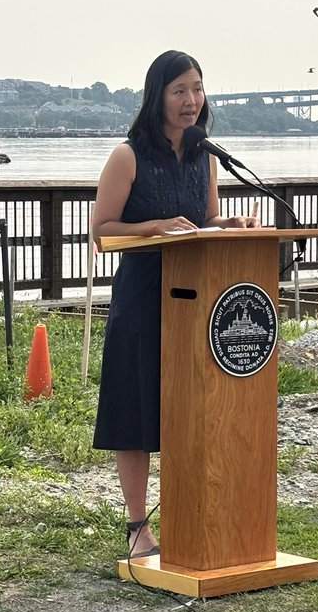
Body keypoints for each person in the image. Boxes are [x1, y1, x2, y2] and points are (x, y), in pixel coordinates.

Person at [91, 50, 259, 558]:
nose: (191, 100)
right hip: (142, 300)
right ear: (157, 96)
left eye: (197, 89)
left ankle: (195, 512)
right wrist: (154, 227)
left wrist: (230, 224)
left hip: (195, 301)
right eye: (179, 90)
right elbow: (102, 231)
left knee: (191, 407)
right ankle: (137, 526)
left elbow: (204, 220)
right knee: (136, 412)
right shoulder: (128, 156)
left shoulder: (205, 155)